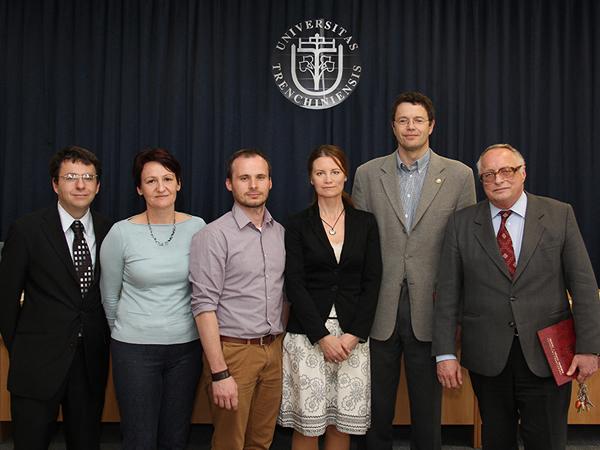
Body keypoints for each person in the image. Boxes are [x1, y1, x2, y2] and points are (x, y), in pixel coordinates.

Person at [432, 143, 600, 450]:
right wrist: (444, 353)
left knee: (547, 441)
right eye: (489, 174)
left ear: (523, 173)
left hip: (547, 355)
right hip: (488, 356)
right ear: (481, 181)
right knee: (496, 441)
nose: (498, 180)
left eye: (507, 171)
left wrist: (589, 348)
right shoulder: (461, 223)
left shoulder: (559, 214)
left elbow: (584, 286)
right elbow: (447, 293)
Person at [352, 91, 476, 450]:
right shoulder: (367, 174)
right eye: (403, 120)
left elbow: (467, 244)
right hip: (379, 308)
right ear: (393, 126)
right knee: (376, 409)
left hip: (432, 309)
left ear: (431, 125)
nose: (410, 127)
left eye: (418, 120)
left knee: (427, 410)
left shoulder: (459, 175)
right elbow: (359, 243)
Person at [0, 146, 112, 449]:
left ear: (98, 186)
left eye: (88, 177)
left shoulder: (111, 231)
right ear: (55, 184)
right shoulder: (26, 230)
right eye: (71, 177)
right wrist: (23, 348)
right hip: (36, 364)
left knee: (86, 442)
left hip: (89, 363)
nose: (80, 185)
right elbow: (6, 301)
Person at [277, 145, 382, 450]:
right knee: (308, 425)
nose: (328, 179)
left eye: (334, 172)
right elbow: (294, 283)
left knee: (340, 423)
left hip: (352, 338)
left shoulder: (365, 223)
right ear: (310, 178)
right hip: (309, 336)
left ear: (345, 176)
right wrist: (322, 336)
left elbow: (373, 281)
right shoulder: (296, 224)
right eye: (320, 172)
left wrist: (354, 335)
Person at [99, 148, 205, 449]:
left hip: (186, 350)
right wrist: (130, 330)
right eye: (151, 181)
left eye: (168, 179)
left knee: (176, 436)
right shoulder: (120, 233)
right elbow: (109, 296)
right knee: (139, 438)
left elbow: (205, 290)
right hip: (134, 351)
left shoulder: (198, 228)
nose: (161, 187)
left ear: (179, 184)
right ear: (139, 188)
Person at [189, 149, 285, 450]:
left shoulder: (280, 233)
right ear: (230, 184)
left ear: (270, 183)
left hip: (273, 351)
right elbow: (203, 307)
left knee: (261, 441)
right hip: (233, 353)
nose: (253, 185)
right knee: (230, 442)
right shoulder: (214, 235)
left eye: (260, 177)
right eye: (244, 178)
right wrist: (220, 372)